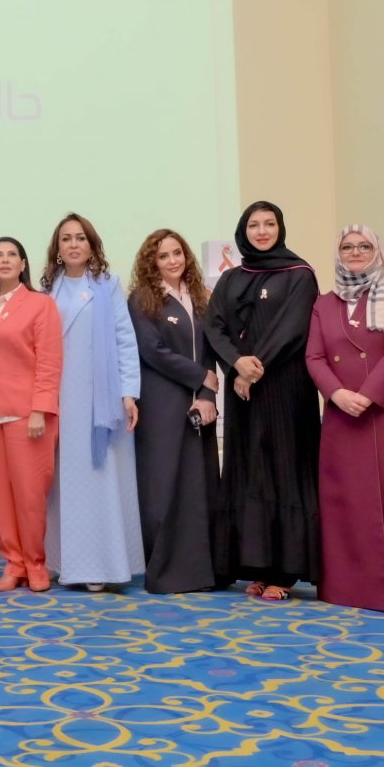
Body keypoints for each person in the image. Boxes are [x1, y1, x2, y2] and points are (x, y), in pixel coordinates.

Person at [306, 225, 384, 614]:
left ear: (377, 251)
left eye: (364, 246)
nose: (356, 252)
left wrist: (370, 393)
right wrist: (337, 394)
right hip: (342, 417)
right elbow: (314, 357)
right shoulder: (324, 304)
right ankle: (351, 589)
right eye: (347, 246)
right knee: (347, 503)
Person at [206, 202, 320, 601]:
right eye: (254, 224)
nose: (262, 231)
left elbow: (294, 327)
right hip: (243, 392)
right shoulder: (232, 278)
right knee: (250, 470)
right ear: (244, 231)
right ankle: (254, 566)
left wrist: (253, 368)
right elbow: (214, 326)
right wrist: (236, 363)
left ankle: (284, 573)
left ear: (280, 228)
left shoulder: (300, 274)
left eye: (269, 223)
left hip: (285, 388)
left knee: (285, 469)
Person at [43, 214, 142, 592]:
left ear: (92, 245)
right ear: (57, 248)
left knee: (100, 481)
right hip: (59, 399)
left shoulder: (107, 285)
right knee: (62, 483)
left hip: (100, 401)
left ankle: (101, 564)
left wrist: (128, 393)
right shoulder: (47, 290)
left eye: (80, 238)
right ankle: (61, 561)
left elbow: (124, 340)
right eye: (66, 239)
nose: (73, 245)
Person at [125, 227, 222, 595]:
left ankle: (202, 572)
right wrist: (199, 376)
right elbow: (151, 351)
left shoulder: (200, 296)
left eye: (177, 253)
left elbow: (211, 350)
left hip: (199, 404)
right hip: (161, 403)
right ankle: (166, 573)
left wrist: (207, 394)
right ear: (151, 262)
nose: (172, 261)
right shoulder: (142, 299)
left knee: (199, 487)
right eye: (163, 256)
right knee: (163, 487)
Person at [0, 237, 62, 592]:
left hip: (28, 415)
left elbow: (49, 362)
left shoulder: (40, 305)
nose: (5, 260)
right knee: (0, 495)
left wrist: (40, 409)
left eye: (12, 254)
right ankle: (14, 563)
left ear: (23, 264)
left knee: (29, 496)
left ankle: (36, 564)